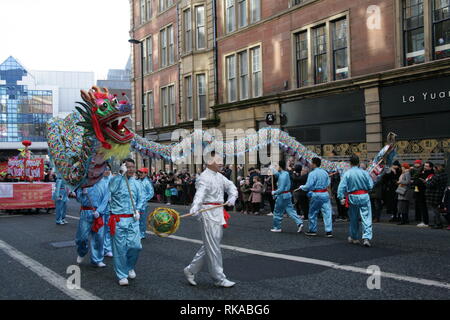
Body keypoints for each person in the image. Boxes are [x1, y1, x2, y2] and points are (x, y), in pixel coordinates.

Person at [183, 151, 238, 288]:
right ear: (209, 162)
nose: (221, 162)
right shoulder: (203, 178)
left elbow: (231, 186)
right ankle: (219, 278)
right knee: (213, 247)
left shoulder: (220, 176)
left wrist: (232, 196)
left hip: (218, 212)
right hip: (208, 214)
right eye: (218, 160)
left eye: (221, 159)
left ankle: (190, 269)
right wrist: (195, 207)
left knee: (211, 244)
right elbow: (199, 195)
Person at [108, 158, 145, 286]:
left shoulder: (137, 183)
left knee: (136, 246)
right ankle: (121, 274)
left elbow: (142, 198)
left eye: (132, 167)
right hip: (118, 219)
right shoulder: (115, 180)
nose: (131, 169)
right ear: (123, 167)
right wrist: (119, 175)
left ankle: (129, 266)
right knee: (119, 249)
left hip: (133, 219)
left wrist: (138, 210)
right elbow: (111, 190)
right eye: (128, 167)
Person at [72, 178, 110, 268]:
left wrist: (99, 211)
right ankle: (82, 252)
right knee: (81, 237)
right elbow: (79, 199)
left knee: (99, 237)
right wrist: (82, 193)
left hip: (99, 214)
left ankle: (97, 259)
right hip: (86, 212)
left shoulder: (105, 183)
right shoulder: (85, 182)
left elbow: (106, 200)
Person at [337, 155, 374, 247]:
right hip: (364, 195)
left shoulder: (347, 173)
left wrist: (341, 197)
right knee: (366, 217)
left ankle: (354, 237)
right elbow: (370, 185)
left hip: (353, 196)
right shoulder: (365, 173)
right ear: (358, 163)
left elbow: (341, 187)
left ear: (350, 163)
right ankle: (366, 238)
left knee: (353, 217)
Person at [300, 157, 333, 237]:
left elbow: (308, 186)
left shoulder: (312, 173)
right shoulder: (325, 172)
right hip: (325, 194)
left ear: (314, 164)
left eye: (311, 163)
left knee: (312, 212)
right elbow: (328, 184)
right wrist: (330, 194)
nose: (310, 164)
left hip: (316, 194)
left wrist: (302, 187)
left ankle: (313, 230)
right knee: (327, 213)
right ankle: (329, 231)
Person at [270, 159, 304, 233]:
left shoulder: (282, 176)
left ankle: (277, 227)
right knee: (290, 210)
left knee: (277, 212)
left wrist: (274, 192)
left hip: (282, 195)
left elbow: (281, 188)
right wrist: (272, 169)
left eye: (277, 166)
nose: (276, 168)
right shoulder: (285, 173)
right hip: (287, 195)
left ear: (280, 166)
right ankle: (299, 222)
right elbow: (277, 174)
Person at [424, 163, 448, 229]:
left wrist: (426, 181)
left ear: (437, 168)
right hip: (440, 193)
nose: (433, 169)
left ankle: (438, 223)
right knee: (437, 209)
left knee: (435, 209)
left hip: (434, 194)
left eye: (434, 168)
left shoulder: (436, 176)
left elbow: (430, 185)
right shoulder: (445, 175)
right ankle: (437, 223)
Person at [137, 167, 154, 239]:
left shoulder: (147, 182)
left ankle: (142, 233)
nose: (140, 174)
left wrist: (144, 199)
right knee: (136, 219)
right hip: (136, 204)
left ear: (146, 174)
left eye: (141, 172)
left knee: (142, 220)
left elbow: (151, 193)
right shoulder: (137, 181)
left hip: (143, 205)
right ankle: (137, 233)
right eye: (139, 172)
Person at [412, 160, 431, 227]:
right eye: (424, 165)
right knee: (422, 207)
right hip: (419, 192)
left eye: (426, 166)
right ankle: (424, 221)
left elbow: (423, 181)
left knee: (424, 207)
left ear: (430, 167)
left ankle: (425, 222)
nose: (425, 167)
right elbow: (416, 177)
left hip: (423, 192)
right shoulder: (422, 172)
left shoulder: (429, 173)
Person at [101, 164, 113, 257]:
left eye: (108, 169)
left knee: (108, 228)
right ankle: (100, 248)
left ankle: (107, 248)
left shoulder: (111, 179)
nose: (107, 171)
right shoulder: (98, 180)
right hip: (100, 208)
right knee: (100, 230)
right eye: (105, 169)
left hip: (109, 208)